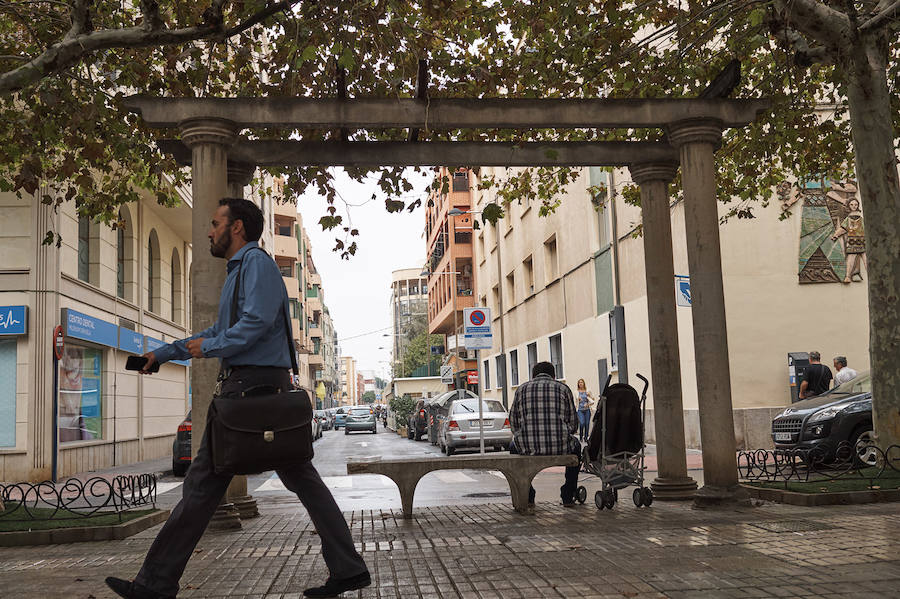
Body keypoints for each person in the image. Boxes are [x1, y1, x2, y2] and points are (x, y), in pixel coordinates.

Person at [105, 198, 369, 599]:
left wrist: (209, 348)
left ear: (238, 227)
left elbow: (254, 325)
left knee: (201, 489)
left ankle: (155, 585)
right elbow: (219, 330)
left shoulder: (257, 265)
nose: (209, 231)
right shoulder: (240, 272)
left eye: (215, 223)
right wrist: (164, 354)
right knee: (294, 483)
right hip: (256, 393)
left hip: (253, 393)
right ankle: (348, 568)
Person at [508, 361, 581, 508]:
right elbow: (573, 425)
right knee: (577, 447)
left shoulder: (521, 389)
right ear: (553, 375)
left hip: (527, 448)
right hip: (560, 446)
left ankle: (528, 494)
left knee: (513, 447)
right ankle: (568, 494)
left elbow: (513, 423)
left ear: (533, 375)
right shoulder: (563, 389)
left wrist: (524, 436)